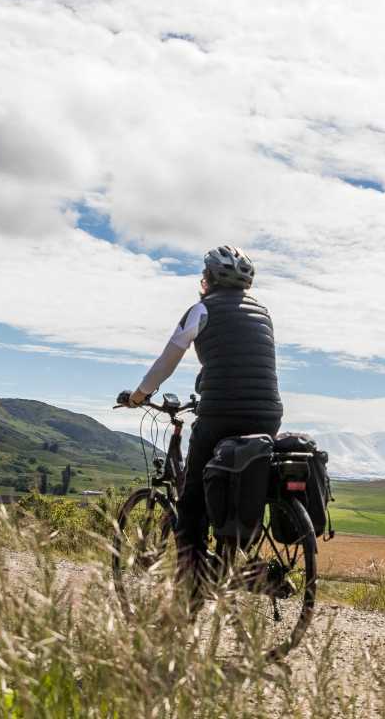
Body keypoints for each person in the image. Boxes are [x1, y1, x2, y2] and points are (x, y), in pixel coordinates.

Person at [120, 245, 283, 592]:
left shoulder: (201, 310)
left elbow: (167, 360)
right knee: (239, 478)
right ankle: (233, 561)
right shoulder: (263, 314)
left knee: (192, 499)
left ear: (208, 279)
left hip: (221, 410)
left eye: (203, 276)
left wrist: (139, 396)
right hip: (268, 413)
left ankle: (191, 589)